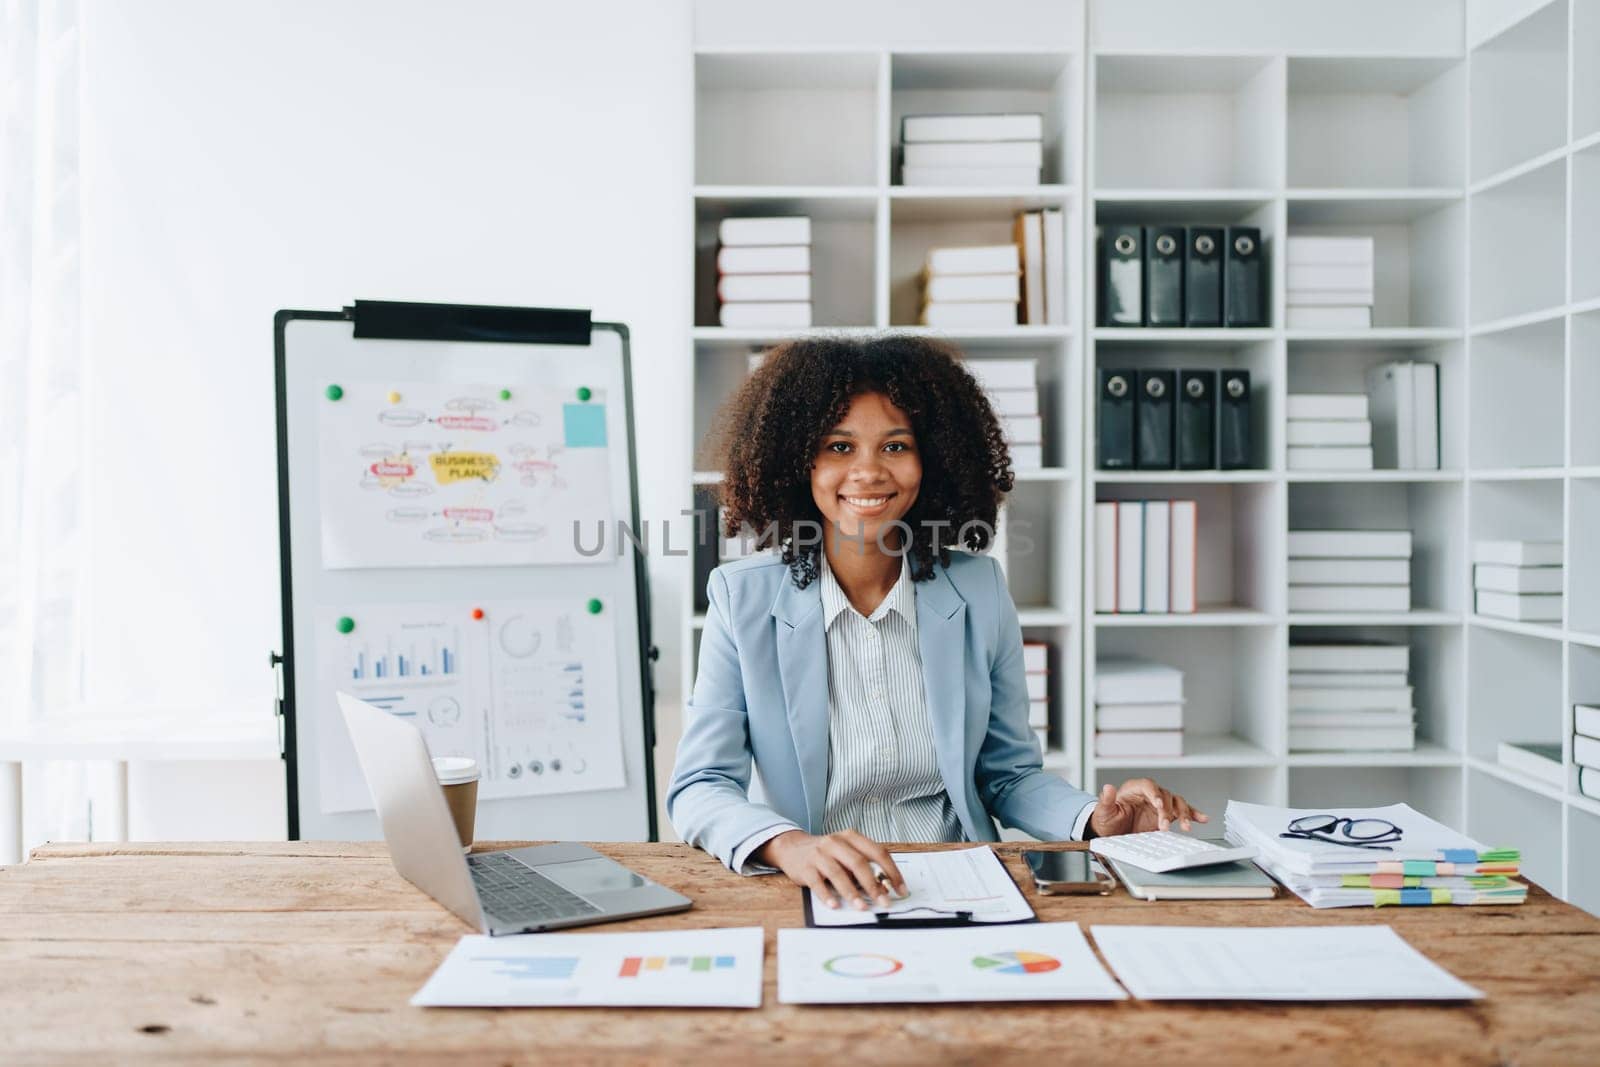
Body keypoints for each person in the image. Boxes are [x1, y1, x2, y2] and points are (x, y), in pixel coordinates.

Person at [667, 335, 1206, 911]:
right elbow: (700, 786)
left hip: (967, 878)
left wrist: (1093, 820)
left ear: (934, 458)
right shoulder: (741, 597)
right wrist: (791, 846)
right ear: (800, 461)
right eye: (839, 446)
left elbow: (1007, 775)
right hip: (820, 889)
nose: (869, 472)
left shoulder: (979, 590)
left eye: (895, 445)